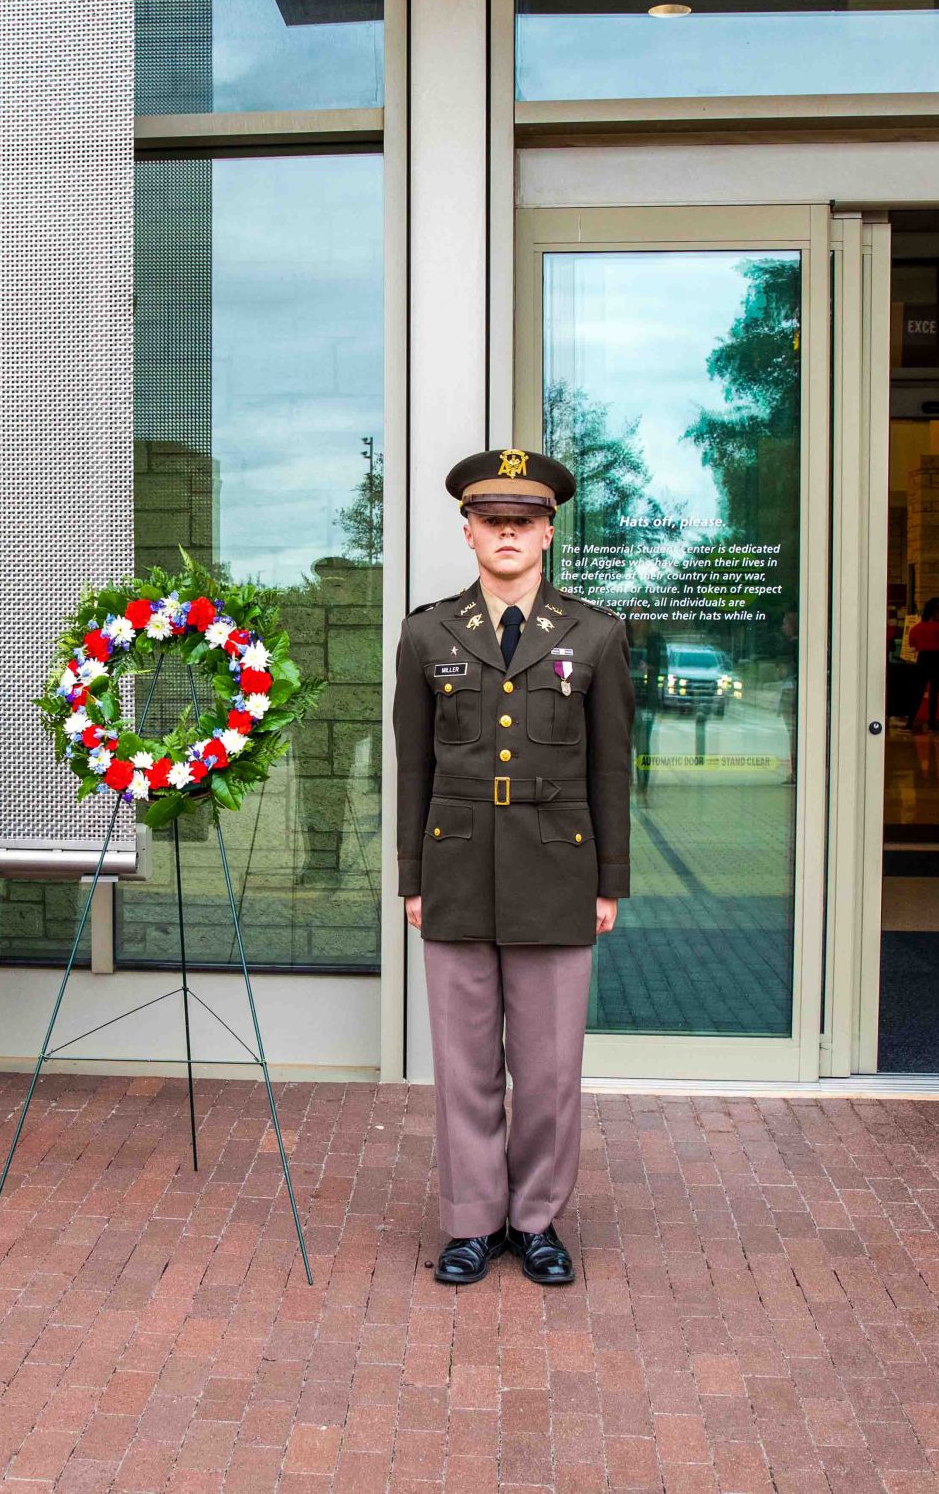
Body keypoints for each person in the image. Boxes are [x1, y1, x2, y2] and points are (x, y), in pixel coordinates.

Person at [393, 447, 632, 1287]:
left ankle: (535, 1220)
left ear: (547, 531)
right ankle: (469, 1221)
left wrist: (609, 880)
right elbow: (413, 765)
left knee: (548, 1068)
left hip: (557, 871)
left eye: (522, 521)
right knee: (463, 1063)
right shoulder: (427, 632)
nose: (507, 533)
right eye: (491, 520)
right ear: (466, 531)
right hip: (455, 870)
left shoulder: (595, 633)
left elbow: (610, 767)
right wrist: (411, 877)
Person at [906, 598, 939, 731]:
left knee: (918, 692)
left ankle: (910, 722)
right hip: (938, 659)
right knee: (934, 693)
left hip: (924, 658)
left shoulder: (917, 628)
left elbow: (912, 647)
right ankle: (932, 724)